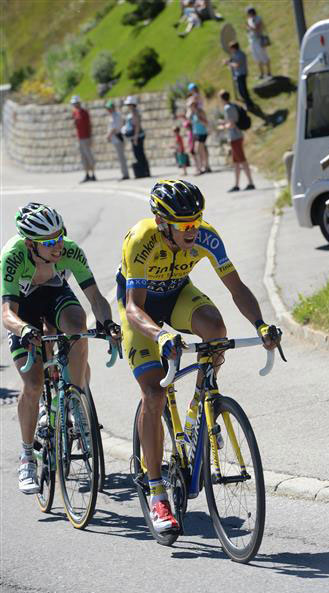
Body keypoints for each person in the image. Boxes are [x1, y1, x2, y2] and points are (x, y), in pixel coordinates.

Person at [116, 179, 280, 532]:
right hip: (141, 308)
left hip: (177, 295)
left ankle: (202, 408)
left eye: (196, 221)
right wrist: (160, 335)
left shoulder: (206, 235)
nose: (193, 230)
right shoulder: (141, 239)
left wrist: (261, 324)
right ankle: (158, 494)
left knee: (215, 331)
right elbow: (133, 307)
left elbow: (235, 286)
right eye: (184, 225)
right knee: (155, 393)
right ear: (163, 223)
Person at [1, 203, 121, 494]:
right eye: (49, 242)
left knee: (78, 325)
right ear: (30, 244)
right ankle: (27, 456)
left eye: (60, 236)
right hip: (23, 310)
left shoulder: (69, 249)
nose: (58, 245)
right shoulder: (13, 256)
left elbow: (95, 297)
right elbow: (7, 313)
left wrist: (109, 324)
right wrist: (24, 330)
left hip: (54, 295)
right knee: (32, 384)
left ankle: (76, 401)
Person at [218, 89, 255, 192]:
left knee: (242, 161)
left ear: (222, 99)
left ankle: (250, 182)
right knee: (237, 162)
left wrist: (223, 127)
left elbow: (232, 124)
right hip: (236, 137)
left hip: (235, 137)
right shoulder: (232, 106)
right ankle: (237, 184)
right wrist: (224, 123)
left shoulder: (228, 108)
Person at [122, 96, 150, 179]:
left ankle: (145, 171)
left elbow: (137, 126)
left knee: (139, 154)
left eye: (129, 104)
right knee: (139, 154)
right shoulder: (133, 112)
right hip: (135, 136)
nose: (128, 106)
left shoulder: (134, 113)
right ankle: (145, 171)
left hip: (137, 136)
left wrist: (135, 138)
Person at [70, 95, 96, 183]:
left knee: (89, 156)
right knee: (83, 157)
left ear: (79, 103)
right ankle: (87, 174)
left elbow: (89, 125)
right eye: (73, 103)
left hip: (86, 137)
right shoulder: (74, 113)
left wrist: (90, 137)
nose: (74, 105)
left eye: (75, 103)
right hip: (80, 138)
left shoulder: (84, 112)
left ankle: (93, 174)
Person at [223, 41, 254, 110]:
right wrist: (228, 61)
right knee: (241, 91)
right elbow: (233, 60)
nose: (230, 50)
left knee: (243, 91)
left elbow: (237, 65)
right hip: (239, 74)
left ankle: (249, 104)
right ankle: (249, 103)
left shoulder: (240, 54)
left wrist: (228, 63)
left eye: (231, 48)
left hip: (241, 74)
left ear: (234, 48)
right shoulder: (235, 54)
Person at [105, 99, 129, 181]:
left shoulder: (116, 116)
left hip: (118, 138)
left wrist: (108, 135)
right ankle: (124, 173)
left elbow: (114, 128)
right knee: (120, 157)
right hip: (115, 139)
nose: (108, 110)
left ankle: (125, 174)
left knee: (121, 157)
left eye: (109, 108)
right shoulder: (113, 116)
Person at [246, 6, 272, 79]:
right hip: (252, 41)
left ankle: (269, 72)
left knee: (264, 56)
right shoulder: (249, 20)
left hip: (259, 40)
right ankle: (261, 73)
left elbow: (257, 29)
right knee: (256, 58)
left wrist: (249, 27)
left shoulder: (258, 18)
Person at [187, 97, 211, 174]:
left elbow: (206, 123)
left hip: (202, 133)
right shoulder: (192, 114)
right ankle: (206, 166)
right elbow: (189, 120)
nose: (190, 107)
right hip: (196, 134)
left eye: (191, 105)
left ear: (195, 105)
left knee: (197, 150)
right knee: (203, 151)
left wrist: (200, 119)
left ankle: (199, 168)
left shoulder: (200, 112)